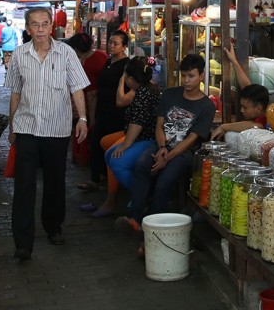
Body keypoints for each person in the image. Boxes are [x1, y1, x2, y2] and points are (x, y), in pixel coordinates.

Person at [7, 7, 90, 260]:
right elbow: (15, 93)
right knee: (24, 186)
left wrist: (83, 118)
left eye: (44, 24)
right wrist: (12, 127)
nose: (40, 29)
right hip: (27, 128)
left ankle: (53, 226)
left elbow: (77, 88)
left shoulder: (66, 53)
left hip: (56, 129)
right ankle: (23, 242)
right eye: (35, 25)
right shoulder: (20, 55)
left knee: (55, 182)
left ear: (51, 26)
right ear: (28, 28)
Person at [119, 54, 215, 244]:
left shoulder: (207, 106)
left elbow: (191, 139)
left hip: (184, 154)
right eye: (184, 75)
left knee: (164, 182)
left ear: (202, 76)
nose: (186, 81)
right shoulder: (170, 94)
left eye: (191, 76)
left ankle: (154, 231)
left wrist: (168, 157)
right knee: (141, 166)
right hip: (161, 145)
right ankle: (135, 219)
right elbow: (159, 126)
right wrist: (162, 148)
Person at [81, 57, 162, 218]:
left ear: (132, 78)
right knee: (109, 153)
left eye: (125, 74)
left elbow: (137, 123)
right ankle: (136, 193)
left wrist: (125, 145)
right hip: (140, 136)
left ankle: (143, 194)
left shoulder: (144, 93)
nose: (124, 77)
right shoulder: (143, 89)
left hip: (148, 139)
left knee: (117, 161)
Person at [79, 31, 130, 191]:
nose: (112, 46)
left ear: (124, 47)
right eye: (110, 42)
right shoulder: (108, 62)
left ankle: (111, 183)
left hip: (118, 112)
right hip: (103, 109)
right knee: (96, 143)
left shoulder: (127, 66)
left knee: (112, 146)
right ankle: (96, 178)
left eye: (116, 43)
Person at [65, 32, 107, 172]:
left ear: (76, 49)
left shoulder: (87, 64)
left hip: (98, 105)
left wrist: (91, 118)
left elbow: (91, 94)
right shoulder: (101, 54)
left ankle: (87, 154)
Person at [211, 42, 270, 139]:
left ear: (258, 108)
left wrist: (223, 127)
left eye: (245, 107)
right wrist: (233, 61)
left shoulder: (265, 119)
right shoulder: (256, 101)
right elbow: (246, 85)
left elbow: (255, 126)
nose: (241, 110)